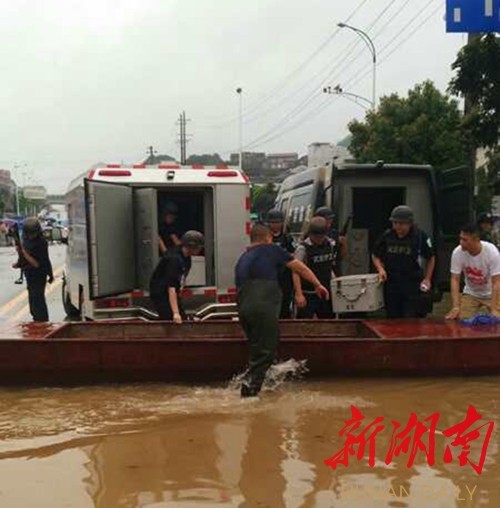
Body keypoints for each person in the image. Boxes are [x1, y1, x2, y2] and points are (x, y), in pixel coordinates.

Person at [235, 223, 329, 397]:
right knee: (265, 351)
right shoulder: (272, 250)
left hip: (244, 310)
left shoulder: (243, 258)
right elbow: (299, 267)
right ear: (268, 238)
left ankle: (261, 384)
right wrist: (317, 284)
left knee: (259, 349)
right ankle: (248, 396)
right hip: (262, 307)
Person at [372, 205, 436, 318]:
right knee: (392, 317)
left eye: (401, 223)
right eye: (395, 223)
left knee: (410, 318)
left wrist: (427, 279)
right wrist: (380, 269)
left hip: (412, 283)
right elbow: (375, 255)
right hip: (392, 284)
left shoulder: (420, 236)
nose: (397, 226)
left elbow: (431, 257)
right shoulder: (387, 235)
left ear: (409, 223)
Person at [445, 224, 500, 320]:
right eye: (460, 239)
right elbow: (455, 279)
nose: (461, 242)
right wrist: (455, 306)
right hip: (471, 292)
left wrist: (494, 308)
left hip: (491, 292)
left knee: (496, 319)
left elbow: (496, 282)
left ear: (476, 240)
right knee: (462, 319)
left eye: (465, 240)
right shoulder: (457, 252)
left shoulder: (492, 252)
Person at [149, 230, 204, 324]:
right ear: (192, 246)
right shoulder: (174, 260)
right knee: (171, 319)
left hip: (172, 291)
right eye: (199, 247)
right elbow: (171, 288)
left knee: (183, 318)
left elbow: (179, 280)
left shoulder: (186, 258)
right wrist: (175, 313)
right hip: (161, 293)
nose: (200, 250)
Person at [293, 217, 337, 319]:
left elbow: (329, 267)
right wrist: (299, 294)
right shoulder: (302, 248)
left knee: (328, 323)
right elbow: (296, 272)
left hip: (325, 292)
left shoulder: (330, 244)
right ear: (310, 234)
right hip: (308, 293)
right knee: (304, 325)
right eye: (316, 237)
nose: (319, 240)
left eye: (321, 237)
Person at [12, 217, 54, 322]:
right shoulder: (26, 239)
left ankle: (42, 322)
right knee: (32, 300)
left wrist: (23, 251)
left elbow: (36, 264)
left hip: (39, 273)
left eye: (33, 233)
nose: (31, 236)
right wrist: (19, 262)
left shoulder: (41, 242)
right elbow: (24, 257)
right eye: (29, 233)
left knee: (38, 299)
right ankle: (36, 319)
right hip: (29, 273)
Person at [265, 208, 296, 318]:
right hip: (270, 277)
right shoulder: (265, 238)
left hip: (285, 276)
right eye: (273, 222)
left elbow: (294, 255)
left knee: (285, 304)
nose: (276, 225)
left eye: (278, 222)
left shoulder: (287, 238)